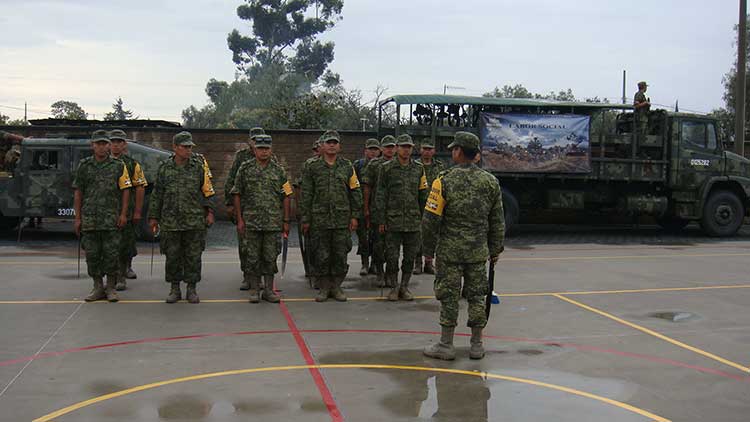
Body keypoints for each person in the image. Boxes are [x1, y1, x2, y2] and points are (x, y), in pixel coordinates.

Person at [422, 132, 505, 361]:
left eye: (453, 148)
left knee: (449, 296)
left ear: (459, 151)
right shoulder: (490, 182)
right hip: (478, 252)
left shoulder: (443, 180)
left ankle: (446, 344)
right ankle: (477, 344)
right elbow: (497, 220)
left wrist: (427, 250)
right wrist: (495, 249)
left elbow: (431, 219)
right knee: (478, 296)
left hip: (449, 251)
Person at [148, 131, 215, 304]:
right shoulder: (164, 168)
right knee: (172, 256)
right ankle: (174, 289)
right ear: (175, 148)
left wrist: (209, 212)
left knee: (193, 256)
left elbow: (207, 191)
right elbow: (157, 194)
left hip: (194, 221)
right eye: (184, 147)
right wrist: (153, 217)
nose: (188, 150)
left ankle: (191, 289)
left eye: (190, 147)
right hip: (170, 221)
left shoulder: (198, 168)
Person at [301, 130, 363, 302]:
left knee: (340, 254)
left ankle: (336, 287)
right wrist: (305, 218)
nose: (332, 145)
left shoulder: (347, 166)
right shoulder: (311, 166)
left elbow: (355, 191)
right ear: (322, 145)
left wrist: (355, 216)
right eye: (328, 142)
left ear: (339, 146)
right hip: (319, 219)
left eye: (335, 142)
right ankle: (324, 287)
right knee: (321, 254)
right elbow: (306, 193)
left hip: (341, 220)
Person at [231, 134, 292, 303]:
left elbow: (287, 195)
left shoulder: (278, 170)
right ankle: (255, 290)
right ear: (255, 149)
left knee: (270, 256)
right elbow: (237, 193)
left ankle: (269, 290)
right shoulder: (245, 168)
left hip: (273, 222)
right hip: (251, 222)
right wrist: (240, 219)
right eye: (260, 148)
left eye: (267, 148)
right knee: (252, 257)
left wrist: (286, 220)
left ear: (271, 150)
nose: (264, 152)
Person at [73, 130, 132, 302]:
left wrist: (123, 214)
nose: (101, 147)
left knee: (111, 254)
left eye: (104, 143)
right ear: (92, 145)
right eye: (98, 143)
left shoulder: (118, 165)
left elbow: (125, 191)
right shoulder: (84, 166)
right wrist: (77, 218)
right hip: (90, 219)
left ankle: (111, 287)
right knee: (92, 255)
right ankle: (98, 286)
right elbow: (78, 192)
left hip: (111, 219)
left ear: (108, 145)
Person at [374, 134, 429, 301]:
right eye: (403, 146)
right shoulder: (386, 168)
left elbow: (423, 194)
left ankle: (404, 286)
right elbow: (381, 194)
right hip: (393, 220)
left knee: (410, 256)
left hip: (413, 221)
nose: (406, 150)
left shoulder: (419, 169)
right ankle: (394, 286)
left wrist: (423, 218)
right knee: (391, 256)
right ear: (397, 148)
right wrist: (381, 219)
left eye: (409, 147)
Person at [225, 127, 265, 291]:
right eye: (254, 139)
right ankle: (247, 276)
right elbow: (231, 181)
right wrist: (229, 204)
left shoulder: (270, 157)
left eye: (259, 139)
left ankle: (260, 277)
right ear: (249, 140)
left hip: (264, 208)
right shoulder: (241, 157)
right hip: (245, 208)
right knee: (245, 245)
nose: (256, 142)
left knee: (263, 246)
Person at [108, 129, 148, 290]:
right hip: (107, 211)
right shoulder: (102, 162)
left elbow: (140, 188)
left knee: (126, 243)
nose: (116, 145)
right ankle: (115, 274)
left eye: (119, 142)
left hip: (127, 211)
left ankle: (123, 272)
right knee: (111, 246)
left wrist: (138, 211)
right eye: (113, 142)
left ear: (125, 145)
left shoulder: (132, 164)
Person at [361, 135, 397, 286]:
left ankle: (391, 274)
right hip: (377, 210)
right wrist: (366, 207)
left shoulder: (400, 164)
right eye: (387, 147)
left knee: (393, 247)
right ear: (382, 149)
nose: (389, 150)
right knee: (378, 244)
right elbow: (367, 187)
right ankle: (379, 272)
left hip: (395, 212)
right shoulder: (375, 165)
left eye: (392, 147)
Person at [414, 138, 445, 275]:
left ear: (434, 151)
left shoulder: (439, 167)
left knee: (432, 235)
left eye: (429, 149)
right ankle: (417, 263)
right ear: (420, 150)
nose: (427, 152)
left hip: (434, 207)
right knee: (417, 236)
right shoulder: (414, 166)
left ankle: (428, 262)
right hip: (417, 206)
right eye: (424, 149)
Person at [295, 137, 323, 288]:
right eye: (315, 149)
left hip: (327, 213)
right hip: (311, 211)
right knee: (311, 243)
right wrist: (300, 209)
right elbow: (300, 187)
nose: (317, 151)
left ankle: (322, 272)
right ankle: (312, 269)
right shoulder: (309, 165)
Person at [353, 138, 382, 276]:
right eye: (370, 149)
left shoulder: (383, 165)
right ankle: (364, 263)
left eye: (375, 149)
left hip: (377, 206)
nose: (373, 152)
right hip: (360, 206)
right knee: (363, 237)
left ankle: (375, 264)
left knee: (377, 238)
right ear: (365, 151)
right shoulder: (358, 165)